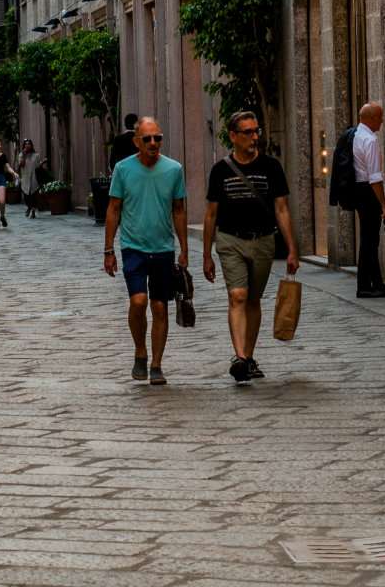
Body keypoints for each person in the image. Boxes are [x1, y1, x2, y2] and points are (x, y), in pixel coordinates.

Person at [202, 111, 299, 384]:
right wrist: (207, 254)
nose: (255, 137)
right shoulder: (220, 170)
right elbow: (210, 214)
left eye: (257, 131)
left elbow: (282, 209)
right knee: (238, 296)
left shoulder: (271, 167)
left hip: (264, 241)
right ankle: (241, 358)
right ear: (233, 136)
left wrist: (292, 248)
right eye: (248, 132)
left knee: (254, 299)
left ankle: (249, 356)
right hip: (231, 239)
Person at [102, 115, 187, 386]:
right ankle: (140, 350)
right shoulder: (123, 170)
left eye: (158, 138)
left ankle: (156, 364)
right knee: (138, 302)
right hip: (133, 247)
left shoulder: (174, 169)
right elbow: (113, 209)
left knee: (160, 307)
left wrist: (184, 248)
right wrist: (108, 250)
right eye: (147, 138)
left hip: (163, 248)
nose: (153, 143)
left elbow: (179, 210)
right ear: (136, 141)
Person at [350, 103, 385, 298]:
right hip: (368, 192)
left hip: (358, 191)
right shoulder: (370, 140)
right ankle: (365, 286)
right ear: (371, 118)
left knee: (368, 240)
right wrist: (384, 204)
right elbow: (375, 177)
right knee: (370, 241)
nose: (382, 121)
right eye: (380, 117)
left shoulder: (355, 135)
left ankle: (374, 284)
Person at [17, 138, 41, 219]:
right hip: (25, 178)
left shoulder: (36, 155)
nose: (27, 145)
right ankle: (29, 207)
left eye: (29, 144)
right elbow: (21, 165)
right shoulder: (21, 155)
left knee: (33, 195)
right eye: (26, 144)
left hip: (34, 178)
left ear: (31, 145)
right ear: (24, 146)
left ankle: (33, 211)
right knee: (26, 196)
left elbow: (38, 167)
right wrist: (24, 154)